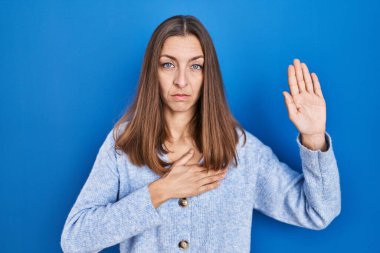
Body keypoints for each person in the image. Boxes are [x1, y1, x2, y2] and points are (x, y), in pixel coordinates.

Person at [60, 15, 341, 253]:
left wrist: (314, 137)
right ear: (152, 72)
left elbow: (318, 211)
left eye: (196, 66)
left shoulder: (240, 149)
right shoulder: (124, 143)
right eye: (168, 64)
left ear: (209, 75)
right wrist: (160, 191)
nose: (182, 80)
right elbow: (75, 239)